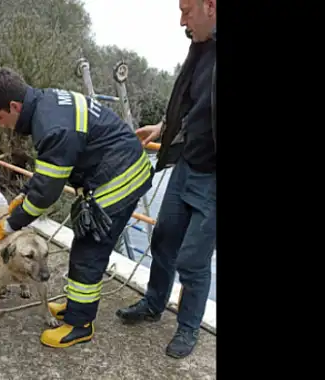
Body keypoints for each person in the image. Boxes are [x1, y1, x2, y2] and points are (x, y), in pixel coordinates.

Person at [0, 67, 153, 348]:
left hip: (120, 179)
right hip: (114, 172)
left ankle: (79, 325)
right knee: (84, 245)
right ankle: (75, 308)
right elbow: (48, 169)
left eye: (1, 117)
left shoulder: (50, 125)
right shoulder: (45, 106)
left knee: (89, 251)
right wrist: (23, 194)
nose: (4, 123)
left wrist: (9, 225)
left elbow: (47, 192)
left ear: (14, 106)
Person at [115, 0, 217, 359]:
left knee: (193, 259)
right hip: (188, 164)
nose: (181, 21)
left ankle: (188, 329)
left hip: (213, 179)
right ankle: (154, 303)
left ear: (211, 6)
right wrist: (163, 126)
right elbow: (192, 104)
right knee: (163, 237)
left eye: (187, 11)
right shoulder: (200, 48)